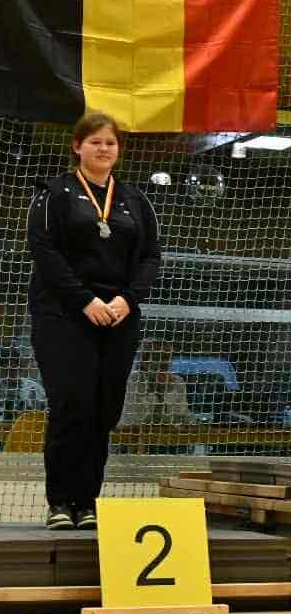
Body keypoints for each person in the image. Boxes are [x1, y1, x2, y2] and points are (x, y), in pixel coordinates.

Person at [27, 112, 161, 529]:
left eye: (110, 143)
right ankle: (60, 501)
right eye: (95, 142)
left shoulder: (136, 200)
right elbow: (45, 252)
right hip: (64, 314)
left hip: (118, 316)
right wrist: (85, 301)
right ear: (77, 146)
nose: (104, 149)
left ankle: (87, 501)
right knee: (73, 403)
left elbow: (150, 257)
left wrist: (127, 300)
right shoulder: (54, 194)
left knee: (104, 409)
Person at [121, 340, 195, 427]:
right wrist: (162, 390)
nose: (165, 363)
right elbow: (137, 418)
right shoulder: (133, 380)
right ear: (144, 361)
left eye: (168, 357)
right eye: (159, 357)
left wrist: (194, 424)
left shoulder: (177, 382)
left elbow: (183, 414)